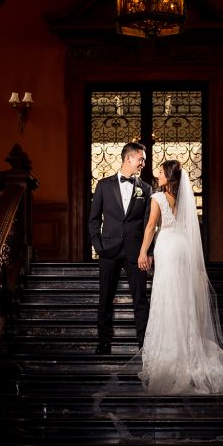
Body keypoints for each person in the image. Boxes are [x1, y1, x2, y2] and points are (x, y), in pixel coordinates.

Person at [136, 160, 223, 395]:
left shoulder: (158, 198)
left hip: (167, 247)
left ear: (168, 176)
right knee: (181, 296)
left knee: (167, 296)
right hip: (183, 248)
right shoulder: (184, 200)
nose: (157, 175)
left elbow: (150, 227)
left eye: (160, 172)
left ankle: (170, 350)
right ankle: (187, 346)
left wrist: (142, 252)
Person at [87, 142, 153, 354]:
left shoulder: (146, 189)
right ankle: (104, 343)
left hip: (136, 253)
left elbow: (148, 225)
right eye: (141, 159)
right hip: (109, 250)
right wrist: (99, 245)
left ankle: (144, 345)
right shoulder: (104, 185)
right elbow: (94, 219)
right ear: (129, 158)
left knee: (140, 299)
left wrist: (148, 252)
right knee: (105, 298)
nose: (143, 163)